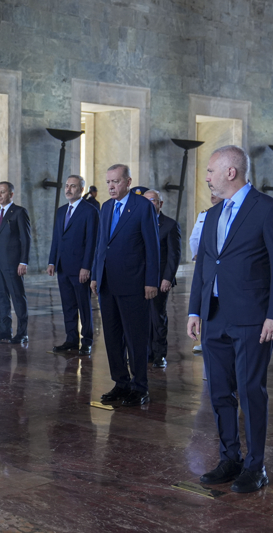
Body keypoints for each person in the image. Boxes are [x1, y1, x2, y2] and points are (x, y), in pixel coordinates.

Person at [187, 145, 273, 493]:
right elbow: (205, 265)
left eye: (210, 171)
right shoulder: (213, 213)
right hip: (214, 317)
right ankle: (229, 458)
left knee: (250, 392)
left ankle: (255, 466)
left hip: (252, 319)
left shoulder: (268, 209)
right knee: (219, 392)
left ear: (230, 172)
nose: (207, 177)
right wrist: (195, 310)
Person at [90, 166, 159, 407]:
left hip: (133, 283)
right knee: (112, 337)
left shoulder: (143, 206)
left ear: (128, 182)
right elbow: (101, 244)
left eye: (116, 182)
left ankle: (140, 386)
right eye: (108, 182)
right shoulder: (106, 207)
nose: (111, 186)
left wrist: (151, 281)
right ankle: (120, 383)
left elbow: (152, 246)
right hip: (107, 283)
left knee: (135, 337)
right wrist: (96, 275)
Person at [47, 175, 99, 356]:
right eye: (67, 186)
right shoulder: (61, 211)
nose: (68, 189)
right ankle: (71, 339)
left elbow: (92, 242)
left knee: (83, 305)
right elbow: (56, 238)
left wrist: (87, 267)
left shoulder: (90, 211)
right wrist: (52, 261)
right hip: (62, 267)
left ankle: (87, 341)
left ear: (81, 190)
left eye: (73, 186)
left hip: (80, 268)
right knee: (68, 305)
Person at [0, 182, 32, 344]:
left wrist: (23, 261)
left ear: (11, 194)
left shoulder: (19, 212)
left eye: (3, 192)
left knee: (18, 298)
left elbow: (25, 239)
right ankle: (5, 331)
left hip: (13, 264)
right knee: (1, 297)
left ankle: (22, 333)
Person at [142, 188, 181, 368]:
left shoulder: (170, 225)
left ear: (160, 204)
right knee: (142, 317)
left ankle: (159, 354)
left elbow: (174, 255)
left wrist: (167, 279)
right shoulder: (139, 222)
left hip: (160, 280)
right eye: (146, 201)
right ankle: (146, 352)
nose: (149, 204)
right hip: (140, 278)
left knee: (157, 317)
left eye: (153, 200)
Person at [189, 189, 221, 353]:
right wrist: (196, 255)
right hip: (206, 263)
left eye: (216, 191)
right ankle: (204, 338)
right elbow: (194, 238)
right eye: (211, 191)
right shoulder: (205, 214)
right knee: (205, 300)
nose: (212, 194)